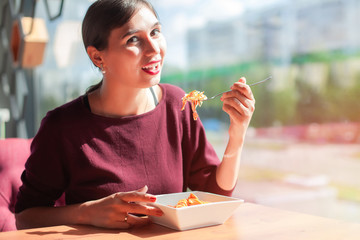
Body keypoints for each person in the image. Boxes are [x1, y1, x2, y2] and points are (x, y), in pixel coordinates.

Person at [15, 0, 255, 230]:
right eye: (133, 39)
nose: (153, 49)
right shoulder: (62, 127)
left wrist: (237, 132)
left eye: (155, 32)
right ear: (98, 57)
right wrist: (87, 212)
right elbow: (25, 217)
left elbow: (215, 195)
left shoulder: (178, 105)